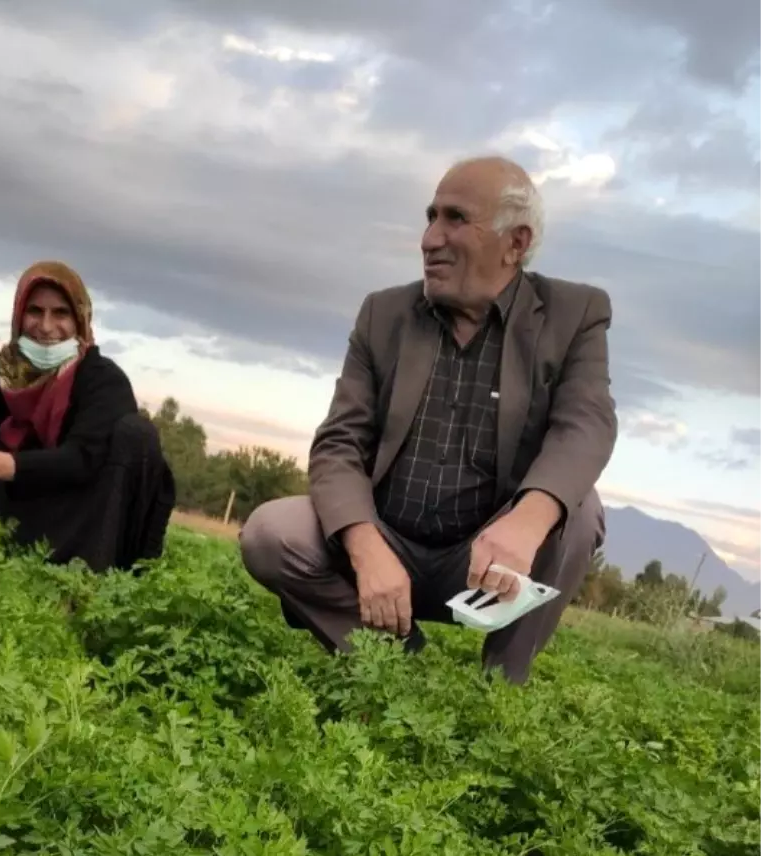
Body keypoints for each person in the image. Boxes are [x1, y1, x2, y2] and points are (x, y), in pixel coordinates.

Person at [240, 156, 616, 683]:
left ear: (516, 243)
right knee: (271, 533)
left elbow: (587, 425)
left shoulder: (573, 315)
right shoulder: (384, 314)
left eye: (455, 219)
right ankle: (393, 662)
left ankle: (501, 686)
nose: (429, 238)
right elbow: (339, 446)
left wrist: (527, 521)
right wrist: (366, 546)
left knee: (578, 510)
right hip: (388, 545)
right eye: (430, 216)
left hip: (487, 563)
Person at [0, 261, 174, 572]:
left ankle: (91, 573)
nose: (45, 327)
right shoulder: (4, 369)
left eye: (60, 313)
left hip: (90, 513)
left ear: (80, 320)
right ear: (19, 315)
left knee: (135, 434)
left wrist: (6, 465)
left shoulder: (104, 380)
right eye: (35, 311)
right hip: (31, 496)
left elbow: (82, 458)